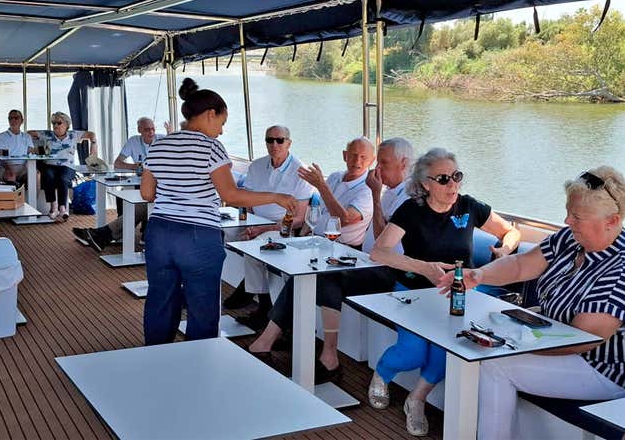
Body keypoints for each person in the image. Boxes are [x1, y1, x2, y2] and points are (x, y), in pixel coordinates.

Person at [438, 166, 625, 440]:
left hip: (601, 368)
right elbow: (520, 264)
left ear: (612, 220)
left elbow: (583, 338)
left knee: (494, 365)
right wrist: (478, 275)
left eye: (577, 216)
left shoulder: (619, 267)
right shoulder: (570, 240)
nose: (567, 221)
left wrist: (512, 344)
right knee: (477, 352)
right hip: (554, 345)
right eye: (567, 212)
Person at [369, 147, 521, 436]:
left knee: (445, 352)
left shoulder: (469, 207)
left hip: (459, 295)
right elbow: (379, 252)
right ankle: (383, 373)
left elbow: (511, 232)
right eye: (443, 179)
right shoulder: (412, 211)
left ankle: (417, 399)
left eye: (456, 177)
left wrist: (505, 249)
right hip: (414, 292)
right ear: (425, 183)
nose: (452, 185)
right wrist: (425, 267)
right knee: (412, 353)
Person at [139, 78, 296, 345]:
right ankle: (200, 366)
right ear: (210, 114)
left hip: (160, 233)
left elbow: (147, 193)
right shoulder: (211, 147)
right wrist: (276, 196)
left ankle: (156, 360)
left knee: (160, 300)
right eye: (222, 123)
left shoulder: (159, 144)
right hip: (198, 237)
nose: (221, 132)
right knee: (202, 307)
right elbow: (230, 195)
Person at [248, 137, 413, 380]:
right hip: (365, 260)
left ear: (404, 164)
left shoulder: (403, 197)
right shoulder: (386, 191)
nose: (376, 170)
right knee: (301, 276)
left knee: (324, 278)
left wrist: (376, 196)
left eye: (381, 163)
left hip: (389, 270)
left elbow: (376, 237)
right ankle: (268, 341)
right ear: (344, 155)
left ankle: (329, 357)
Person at [226, 125, 314, 329]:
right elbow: (246, 200)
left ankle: (263, 306)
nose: (274, 144)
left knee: (253, 249)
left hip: (283, 230)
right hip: (256, 221)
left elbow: (299, 219)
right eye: (269, 140)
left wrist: (262, 229)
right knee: (219, 232)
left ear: (289, 143)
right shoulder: (256, 166)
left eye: (280, 140)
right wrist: (249, 223)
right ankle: (237, 290)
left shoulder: (300, 171)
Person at [70, 116, 165, 249]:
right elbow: (117, 163)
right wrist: (136, 167)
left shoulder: (163, 140)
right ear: (139, 130)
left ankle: (106, 234)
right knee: (124, 196)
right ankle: (114, 233)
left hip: (157, 186)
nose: (151, 132)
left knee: (139, 202)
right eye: (147, 129)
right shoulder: (134, 141)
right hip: (149, 183)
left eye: (153, 129)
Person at [29, 112, 97, 222]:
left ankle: (63, 208)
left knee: (63, 178)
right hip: (50, 164)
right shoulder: (47, 134)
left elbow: (91, 134)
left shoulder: (74, 135)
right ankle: (54, 207)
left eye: (59, 123)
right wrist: (37, 149)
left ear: (66, 124)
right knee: (48, 175)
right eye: (53, 123)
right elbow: (28, 133)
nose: (55, 126)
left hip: (67, 166)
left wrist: (93, 144)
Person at [0, 109, 34, 185]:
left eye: (16, 118)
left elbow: (31, 153)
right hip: (5, 167)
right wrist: (8, 169)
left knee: (36, 174)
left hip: (23, 167)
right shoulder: (1, 137)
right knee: (10, 176)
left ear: (22, 121)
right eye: (10, 118)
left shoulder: (27, 137)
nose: (13, 120)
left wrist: (27, 167)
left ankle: (33, 197)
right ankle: (14, 197)